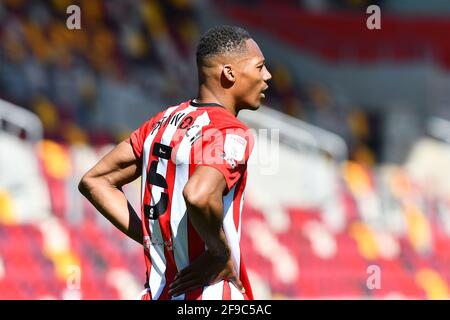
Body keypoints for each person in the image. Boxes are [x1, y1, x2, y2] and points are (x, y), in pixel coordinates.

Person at [78, 25, 272, 300]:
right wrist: (219, 252)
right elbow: (198, 195)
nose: (267, 76)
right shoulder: (230, 131)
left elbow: (95, 181)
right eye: (260, 67)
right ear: (229, 73)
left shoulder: (160, 123)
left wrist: (155, 239)